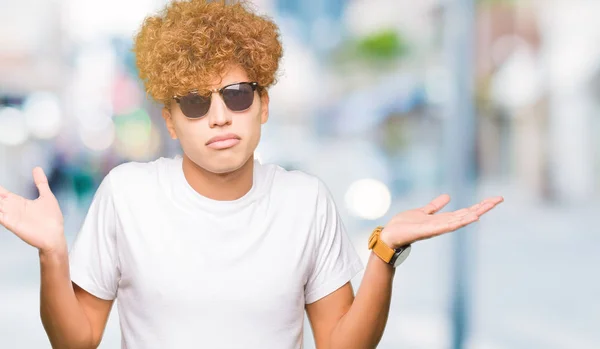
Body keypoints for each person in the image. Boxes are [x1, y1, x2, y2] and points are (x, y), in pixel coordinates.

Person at [0, 1, 504, 348]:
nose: (219, 116)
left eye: (237, 95)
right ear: (172, 122)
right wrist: (53, 255)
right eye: (195, 103)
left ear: (263, 105)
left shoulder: (305, 201)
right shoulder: (127, 195)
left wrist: (385, 252)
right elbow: (77, 340)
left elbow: (339, 343)